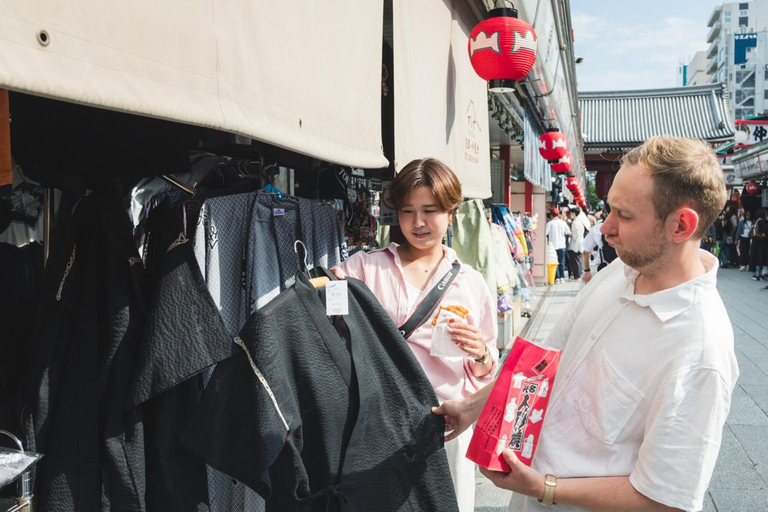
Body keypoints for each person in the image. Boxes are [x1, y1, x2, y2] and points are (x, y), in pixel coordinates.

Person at [433, 136, 738, 512]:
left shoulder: (699, 349)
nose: (605, 228)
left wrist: (546, 487)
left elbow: (667, 499)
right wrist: (472, 406)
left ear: (681, 225)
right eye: (610, 210)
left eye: (624, 216)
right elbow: (545, 362)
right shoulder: (621, 272)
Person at [330, 158, 498, 512]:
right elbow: (328, 323)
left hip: (445, 421)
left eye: (430, 210)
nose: (418, 223)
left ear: (451, 213)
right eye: (408, 211)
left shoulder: (470, 282)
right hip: (378, 421)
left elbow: (486, 369)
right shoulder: (363, 267)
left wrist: (481, 352)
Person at [545, 208, 569, 283]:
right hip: (562, 245)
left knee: (554, 261)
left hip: (553, 245)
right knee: (561, 261)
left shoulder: (549, 224)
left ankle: (557, 277)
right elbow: (568, 232)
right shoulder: (563, 223)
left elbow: (545, 233)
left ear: (551, 215)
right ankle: (562, 277)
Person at [566, 207, 589, 280]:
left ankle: (576, 276)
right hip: (580, 243)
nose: (569, 214)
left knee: (575, 261)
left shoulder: (575, 222)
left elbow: (575, 236)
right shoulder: (580, 221)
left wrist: (568, 234)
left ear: (574, 213)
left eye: (570, 213)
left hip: (575, 244)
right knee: (578, 260)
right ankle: (578, 275)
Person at [750, 209, 767, 281]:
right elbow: (765, 231)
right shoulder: (763, 222)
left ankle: (757, 273)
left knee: (757, 258)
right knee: (762, 258)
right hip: (762, 242)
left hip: (755, 242)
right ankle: (760, 273)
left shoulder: (756, 221)